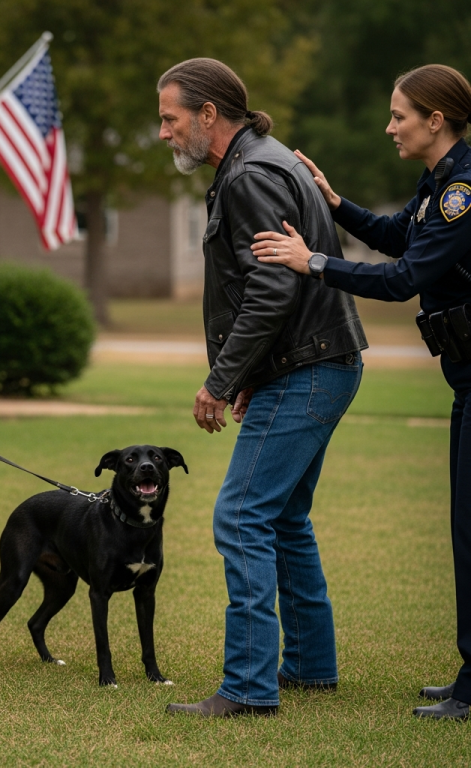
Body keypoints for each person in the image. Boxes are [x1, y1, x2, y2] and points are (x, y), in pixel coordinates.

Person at [253, 64, 471, 722]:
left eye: (400, 114)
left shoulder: (464, 190)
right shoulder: (438, 183)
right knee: (465, 531)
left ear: (436, 119)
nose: (389, 126)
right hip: (464, 381)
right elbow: (398, 235)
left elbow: (403, 277)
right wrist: (333, 201)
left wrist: (312, 261)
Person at [157, 58, 367, 718]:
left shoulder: (249, 174)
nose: (163, 132)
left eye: (170, 118)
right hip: (315, 362)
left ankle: (248, 687)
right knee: (282, 518)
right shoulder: (258, 162)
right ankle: (309, 665)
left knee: (242, 515)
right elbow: (274, 285)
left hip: (310, 365)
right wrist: (253, 376)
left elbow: (273, 289)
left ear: (209, 115)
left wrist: (220, 382)